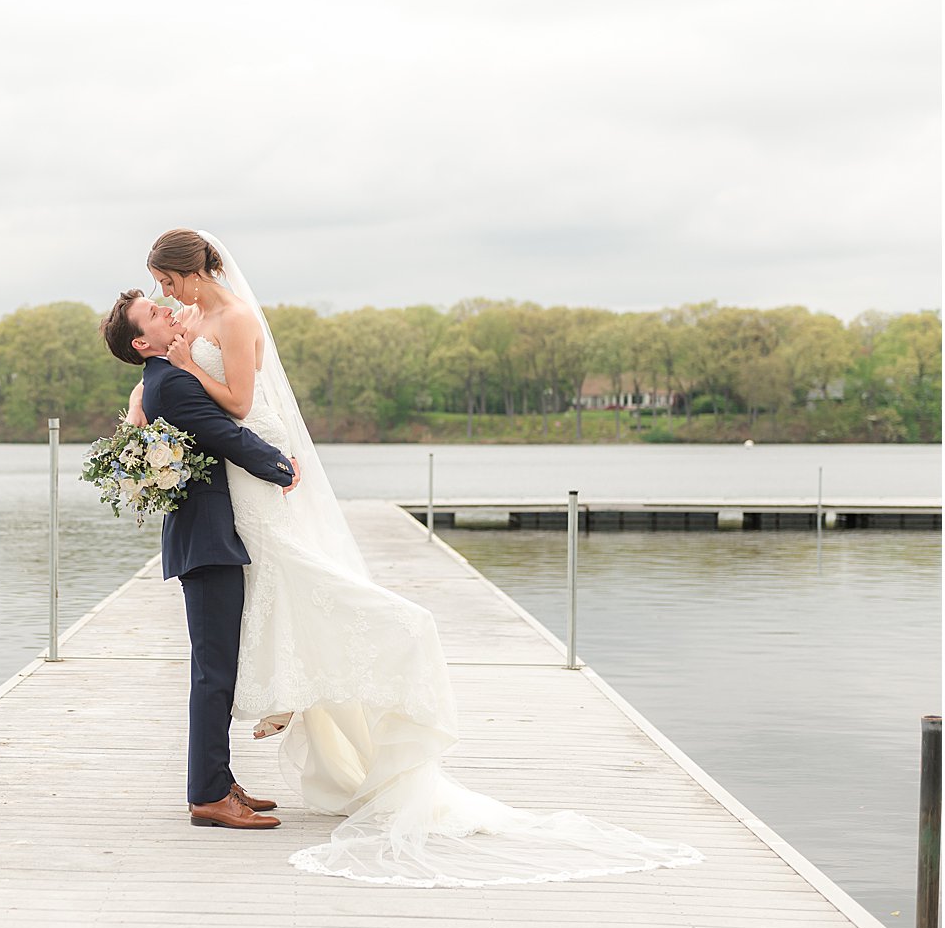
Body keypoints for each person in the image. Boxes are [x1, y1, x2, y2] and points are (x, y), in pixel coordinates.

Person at [118, 229, 704, 887]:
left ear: (188, 272)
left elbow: (235, 409)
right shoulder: (177, 346)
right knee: (240, 634)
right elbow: (206, 418)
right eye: (157, 301)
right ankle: (222, 774)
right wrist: (185, 404)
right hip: (237, 498)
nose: (164, 299)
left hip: (245, 495)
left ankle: (235, 761)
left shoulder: (217, 323)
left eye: (165, 286)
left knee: (273, 602)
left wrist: (205, 402)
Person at [100, 288, 301, 830]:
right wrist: (280, 466)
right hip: (207, 540)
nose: (167, 310)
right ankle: (208, 795)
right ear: (143, 341)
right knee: (214, 673)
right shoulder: (169, 384)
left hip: (208, 536)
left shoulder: (162, 380)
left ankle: (218, 778)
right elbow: (224, 435)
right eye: (154, 313)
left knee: (216, 669)